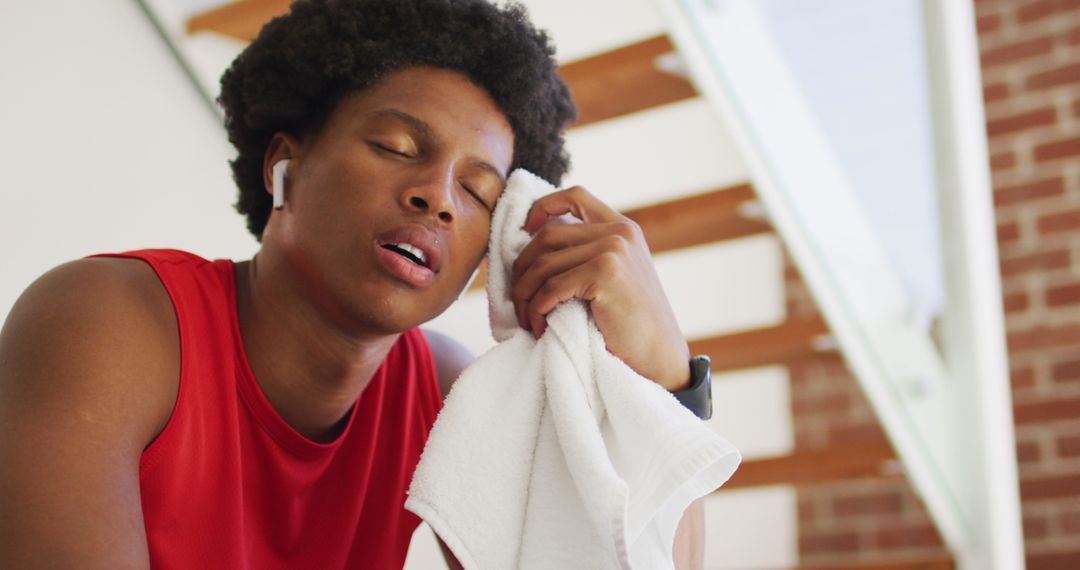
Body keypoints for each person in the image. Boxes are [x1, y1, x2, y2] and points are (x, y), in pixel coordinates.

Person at [0, 0, 705, 568]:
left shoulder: (447, 398)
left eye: (480, 192)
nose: (439, 198)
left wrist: (666, 378)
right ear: (286, 165)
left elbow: (623, 556)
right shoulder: (109, 322)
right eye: (396, 148)